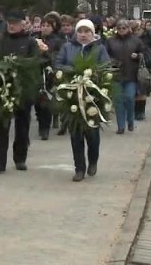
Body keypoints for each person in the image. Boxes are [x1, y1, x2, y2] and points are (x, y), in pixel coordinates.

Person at [55, 19, 110, 181]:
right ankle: (79, 168)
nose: (83, 35)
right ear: (76, 33)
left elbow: (106, 67)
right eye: (80, 31)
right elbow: (58, 64)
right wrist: (74, 71)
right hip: (72, 95)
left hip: (92, 96)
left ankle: (93, 161)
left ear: (93, 34)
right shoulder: (67, 47)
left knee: (92, 134)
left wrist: (92, 74)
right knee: (75, 133)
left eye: (87, 32)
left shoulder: (99, 49)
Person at [0, 10, 40, 173]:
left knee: (22, 125)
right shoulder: (0, 40)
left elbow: (35, 62)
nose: (11, 26)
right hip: (4, 87)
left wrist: (22, 66)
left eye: (15, 23)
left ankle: (20, 159)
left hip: (23, 88)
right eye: (9, 23)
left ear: (22, 24)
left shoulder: (30, 42)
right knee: (2, 124)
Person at [106, 19, 145, 134]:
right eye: (119, 28)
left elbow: (143, 53)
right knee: (118, 100)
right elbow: (105, 55)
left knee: (129, 98)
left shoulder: (136, 40)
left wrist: (138, 56)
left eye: (124, 28)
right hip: (116, 74)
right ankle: (121, 126)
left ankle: (130, 121)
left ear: (129, 28)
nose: (121, 30)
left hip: (131, 75)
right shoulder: (110, 41)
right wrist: (112, 61)